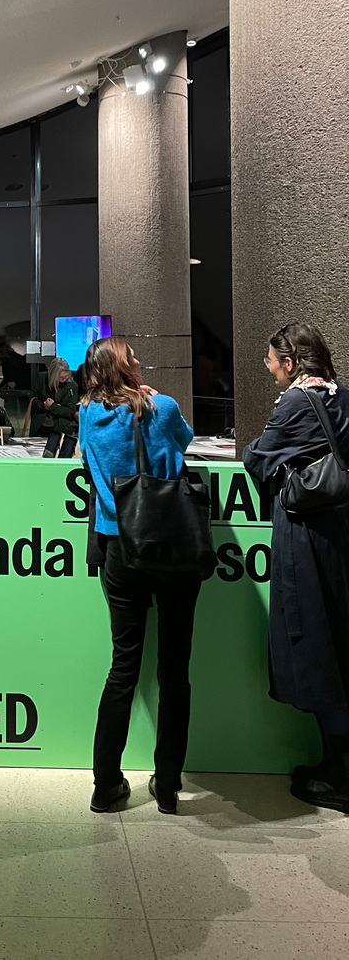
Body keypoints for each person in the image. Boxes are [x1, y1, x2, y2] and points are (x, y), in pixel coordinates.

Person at [80, 335, 196, 815]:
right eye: (132, 357)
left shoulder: (87, 414)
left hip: (119, 550)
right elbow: (184, 442)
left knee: (123, 668)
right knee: (175, 672)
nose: (140, 359)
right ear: (121, 367)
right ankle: (167, 785)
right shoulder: (161, 408)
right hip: (171, 547)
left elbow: (88, 466)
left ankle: (106, 784)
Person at [243, 322, 349, 813]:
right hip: (340, 536)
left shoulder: (293, 403)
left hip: (304, 540)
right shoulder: (343, 398)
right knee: (340, 644)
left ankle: (338, 773)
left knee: (313, 646)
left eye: (271, 361)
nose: (269, 369)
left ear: (289, 363)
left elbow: (256, 456)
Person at [31, 357, 78, 439]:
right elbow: (32, 399)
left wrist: (53, 407)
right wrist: (43, 405)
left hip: (61, 427)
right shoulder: (41, 379)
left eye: (66, 376)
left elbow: (71, 411)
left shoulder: (72, 386)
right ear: (53, 375)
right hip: (41, 426)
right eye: (61, 377)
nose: (64, 379)